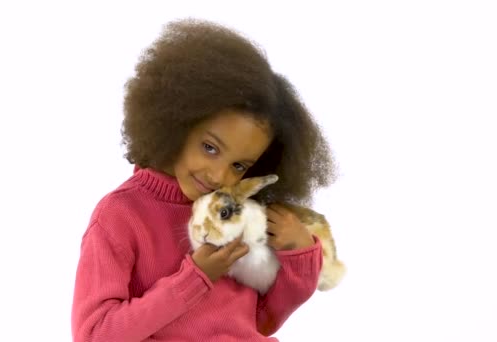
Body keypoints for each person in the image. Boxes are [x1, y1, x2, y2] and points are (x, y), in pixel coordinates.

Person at [71, 18, 337, 341]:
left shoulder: (234, 211)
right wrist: (195, 279)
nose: (219, 176)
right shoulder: (119, 216)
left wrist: (298, 256)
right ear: (177, 122)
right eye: (210, 147)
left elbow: (261, 320)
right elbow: (95, 335)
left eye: (239, 165)